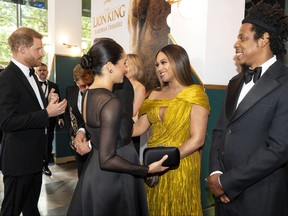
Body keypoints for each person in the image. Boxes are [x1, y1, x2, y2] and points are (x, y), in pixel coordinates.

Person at [67, 37, 168, 216]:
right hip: (115, 177)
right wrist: (147, 170)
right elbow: (108, 158)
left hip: (96, 172)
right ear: (109, 66)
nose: (126, 68)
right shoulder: (110, 101)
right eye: (123, 63)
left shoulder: (89, 94)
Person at [206, 2, 288, 216]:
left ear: (263, 40)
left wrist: (227, 182)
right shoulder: (234, 82)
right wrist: (216, 174)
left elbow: (278, 148)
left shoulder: (286, 82)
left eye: (242, 38)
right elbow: (220, 131)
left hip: (260, 197)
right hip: (223, 199)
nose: (235, 44)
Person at [133, 44, 210, 216]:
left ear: (177, 61)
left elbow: (198, 139)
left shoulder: (195, 93)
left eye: (163, 62)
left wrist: (167, 159)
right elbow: (139, 128)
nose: (159, 68)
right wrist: (108, 128)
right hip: (153, 164)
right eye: (157, 64)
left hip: (181, 164)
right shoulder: (154, 94)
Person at [0, 27, 67, 216]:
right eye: (38, 49)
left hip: (34, 159)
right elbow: (7, 121)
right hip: (19, 161)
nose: (42, 53)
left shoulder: (31, 75)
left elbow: (28, 109)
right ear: (22, 49)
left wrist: (48, 104)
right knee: (11, 211)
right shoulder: (6, 78)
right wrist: (46, 113)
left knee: (31, 209)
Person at [64, 63, 94, 177]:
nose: (87, 88)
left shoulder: (97, 92)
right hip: (77, 142)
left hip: (94, 143)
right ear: (75, 81)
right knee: (81, 175)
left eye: (89, 84)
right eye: (82, 86)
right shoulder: (70, 90)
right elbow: (68, 113)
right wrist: (71, 133)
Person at [35, 62, 65, 176]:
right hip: (37, 120)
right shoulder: (33, 85)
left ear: (47, 72)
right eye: (40, 70)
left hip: (50, 120)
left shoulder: (54, 85)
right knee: (37, 142)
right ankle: (37, 164)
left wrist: (60, 117)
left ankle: (46, 165)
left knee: (48, 142)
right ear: (37, 72)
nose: (42, 72)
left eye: (44, 70)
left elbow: (59, 100)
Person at [125, 53, 146, 155]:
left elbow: (133, 112)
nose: (124, 69)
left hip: (132, 129)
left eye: (127, 65)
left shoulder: (139, 88)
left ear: (135, 67)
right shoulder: (120, 86)